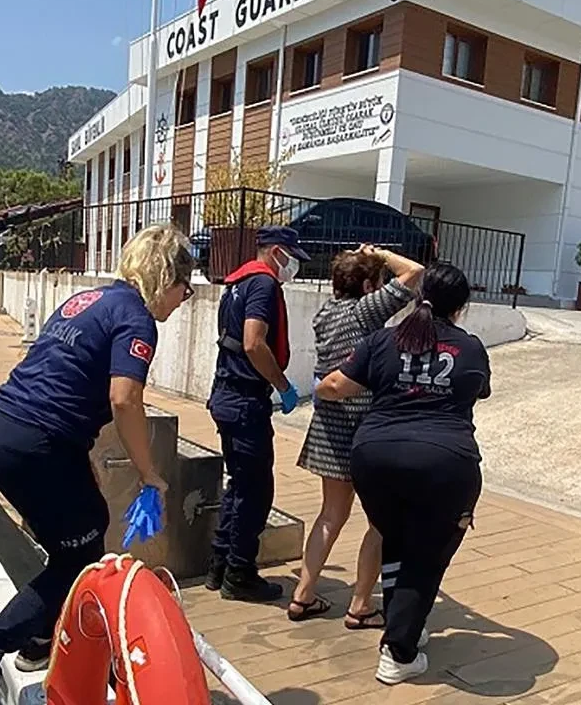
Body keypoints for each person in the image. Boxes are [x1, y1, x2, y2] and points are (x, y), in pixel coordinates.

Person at [0, 225, 194, 705]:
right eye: (185, 287)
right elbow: (125, 399)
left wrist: (79, 458)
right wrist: (149, 474)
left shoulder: (89, 300)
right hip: (37, 444)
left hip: (1, 426)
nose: (183, 299)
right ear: (166, 278)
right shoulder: (137, 319)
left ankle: (40, 638)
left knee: (76, 530)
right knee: (82, 555)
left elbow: (63, 377)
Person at [317, 263, 490, 685]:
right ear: (461, 307)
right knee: (426, 556)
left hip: (374, 459)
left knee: (395, 541)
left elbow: (335, 385)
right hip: (445, 463)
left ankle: (403, 625)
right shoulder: (470, 348)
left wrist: (310, 391)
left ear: (419, 296)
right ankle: (399, 652)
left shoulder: (383, 339)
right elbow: (479, 391)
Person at [288, 245, 422, 626]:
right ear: (367, 286)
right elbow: (414, 272)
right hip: (364, 427)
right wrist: (379, 253)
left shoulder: (325, 313)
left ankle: (303, 596)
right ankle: (361, 605)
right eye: (377, 281)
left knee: (330, 515)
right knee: (381, 520)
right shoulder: (365, 311)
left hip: (329, 425)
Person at [205, 226, 310, 602]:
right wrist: (282, 384)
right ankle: (240, 573)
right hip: (245, 400)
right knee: (256, 491)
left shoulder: (238, 283)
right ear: (277, 252)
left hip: (225, 396)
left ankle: (219, 565)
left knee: (239, 484)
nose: (293, 266)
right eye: (292, 257)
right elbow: (253, 342)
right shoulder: (263, 285)